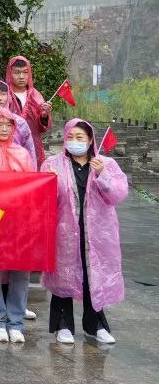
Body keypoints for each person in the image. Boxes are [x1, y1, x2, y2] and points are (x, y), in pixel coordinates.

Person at [42, 119, 128, 345]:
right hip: (64, 232)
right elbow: (44, 200)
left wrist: (102, 175)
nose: (74, 141)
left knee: (93, 276)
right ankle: (63, 325)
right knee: (63, 276)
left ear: (90, 141)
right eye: (70, 137)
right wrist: (49, 181)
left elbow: (118, 195)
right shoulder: (52, 164)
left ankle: (95, 325)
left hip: (98, 233)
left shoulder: (105, 164)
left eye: (80, 137)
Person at [0, 107, 35, 343]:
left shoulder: (23, 154)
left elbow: (33, 186)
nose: (4, 128)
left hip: (19, 221)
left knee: (21, 272)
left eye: (8, 125)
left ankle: (16, 321)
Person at [6, 56, 53, 164]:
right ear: (10, 73)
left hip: (33, 146)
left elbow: (42, 128)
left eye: (25, 72)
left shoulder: (36, 96)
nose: (21, 76)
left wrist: (44, 116)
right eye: (17, 73)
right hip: (9, 145)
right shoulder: (4, 94)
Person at [0, 81, 38, 167]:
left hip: (16, 169)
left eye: (3, 94)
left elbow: (30, 151)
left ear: (8, 96)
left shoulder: (19, 122)